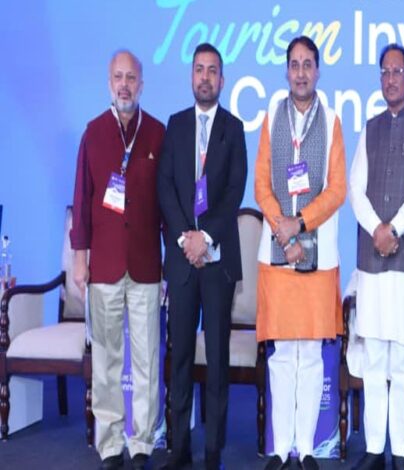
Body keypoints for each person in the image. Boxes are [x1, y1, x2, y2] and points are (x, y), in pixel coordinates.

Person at [254, 35, 346, 470]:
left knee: (309, 356)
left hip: (318, 255)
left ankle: (305, 449)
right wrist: (283, 228)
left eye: (309, 64)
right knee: (281, 356)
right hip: (276, 253)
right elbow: (261, 183)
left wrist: (301, 223)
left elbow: (337, 189)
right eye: (295, 64)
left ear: (318, 70)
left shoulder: (332, 119)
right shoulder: (272, 115)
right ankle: (279, 449)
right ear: (287, 70)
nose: (302, 72)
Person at [70, 49, 164, 470]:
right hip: (104, 265)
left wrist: (170, 264)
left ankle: (141, 442)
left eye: (131, 78)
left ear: (142, 85)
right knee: (107, 360)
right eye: (118, 78)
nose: (125, 86)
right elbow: (82, 200)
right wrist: (80, 258)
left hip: (145, 265)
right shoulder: (93, 133)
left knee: (146, 359)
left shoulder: (157, 134)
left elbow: (167, 203)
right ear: (109, 83)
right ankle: (109, 445)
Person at [157, 42, 247, 470]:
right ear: (191, 76)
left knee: (216, 359)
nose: (205, 77)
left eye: (212, 70)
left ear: (222, 80)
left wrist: (205, 238)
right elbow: (165, 188)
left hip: (217, 263)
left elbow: (234, 191)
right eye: (199, 69)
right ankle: (179, 449)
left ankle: (212, 451)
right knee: (178, 358)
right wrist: (185, 239)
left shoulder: (234, 128)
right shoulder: (175, 126)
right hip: (182, 262)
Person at [348, 43, 404, 470]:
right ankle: (373, 450)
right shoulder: (369, 129)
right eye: (384, 72)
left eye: (397, 72)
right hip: (373, 261)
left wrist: (394, 229)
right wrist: (377, 231)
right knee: (373, 359)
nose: (390, 79)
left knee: (402, 361)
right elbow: (355, 189)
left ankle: (399, 452)